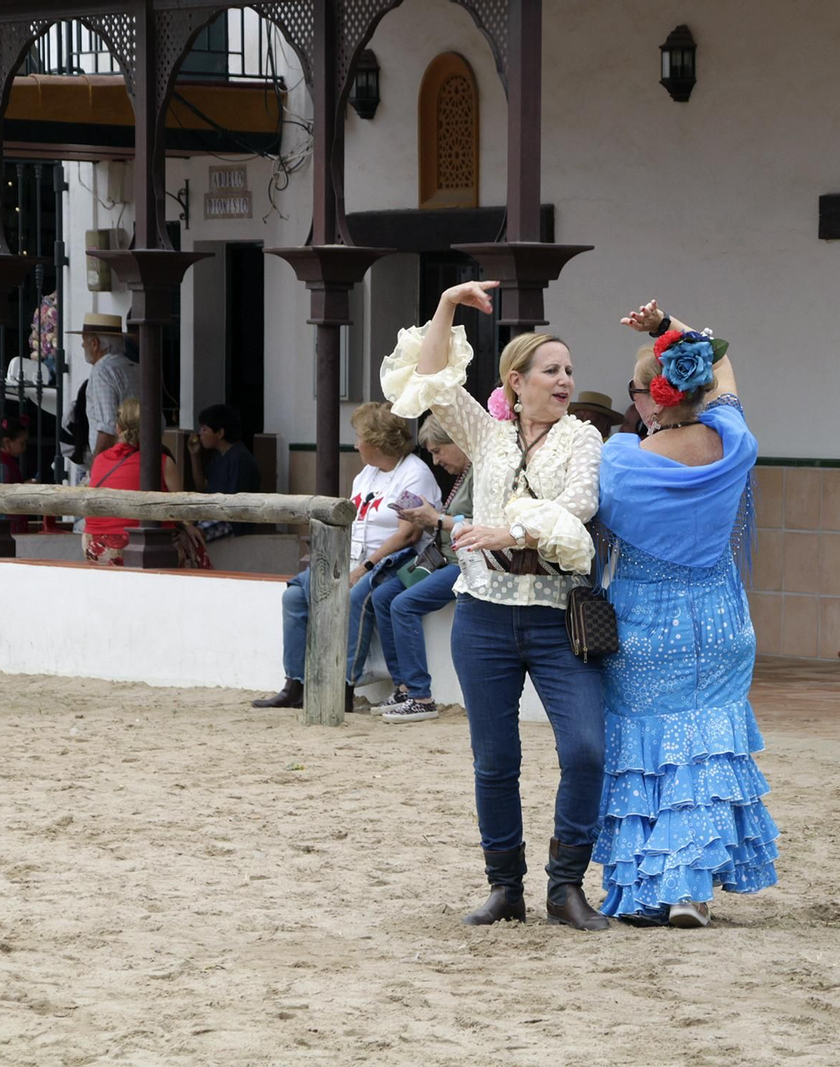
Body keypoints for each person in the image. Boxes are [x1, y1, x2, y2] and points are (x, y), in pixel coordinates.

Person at [380, 278, 607, 931]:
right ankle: (505, 887)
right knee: (495, 757)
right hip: (482, 615)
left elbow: (580, 508)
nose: (564, 379)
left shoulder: (583, 439)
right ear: (517, 380)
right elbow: (429, 383)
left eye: (569, 370)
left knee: (587, 750)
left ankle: (566, 888)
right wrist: (447, 304)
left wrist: (512, 530)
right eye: (551, 369)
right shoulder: (488, 435)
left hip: (559, 617)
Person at [591, 300, 779, 929]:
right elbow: (723, 363)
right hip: (723, 617)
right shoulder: (735, 441)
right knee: (706, 748)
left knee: (648, 749)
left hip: (645, 618)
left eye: (635, 391)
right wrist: (669, 326)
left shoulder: (622, 459)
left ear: (652, 396)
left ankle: (647, 886)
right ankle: (690, 889)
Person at [252, 403, 439, 710]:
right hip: (351, 558)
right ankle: (296, 684)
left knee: (354, 600)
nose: (354, 444)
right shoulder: (367, 474)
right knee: (296, 595)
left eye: (358, 437)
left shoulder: (413, 473)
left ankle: (344, 687)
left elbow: (409, 535)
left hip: (394, 559)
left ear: (377, 442)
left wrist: (364, 568)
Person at [371, 417, 473, 724]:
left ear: (459, 441)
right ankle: (403, 687)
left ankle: (420, 695)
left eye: (440, 451)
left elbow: (475, 524)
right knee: (382, 596)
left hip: (463, 563)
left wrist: (435, 518)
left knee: (403, 605)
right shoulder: (465, 473)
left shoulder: (481, 473)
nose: (437, 460)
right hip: (442, 558)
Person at [83, 398, 211, 569]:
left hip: (95, 545)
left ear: (118, 427)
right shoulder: (163, 462)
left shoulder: (99, 460)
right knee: (192, 544)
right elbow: (180, 510)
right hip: (139, 546)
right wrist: (188, 525)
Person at [69, 313, 138, 463]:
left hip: (116, 461)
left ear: (95, 344)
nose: (82, 346)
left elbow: (108, 428)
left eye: (84, 341)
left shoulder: (102, 371)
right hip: (138, 458)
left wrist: (97, 468)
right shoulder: (134, 367)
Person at [187, 403, 262, 540]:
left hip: (232, 521)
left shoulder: (239, 458)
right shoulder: (218, 456)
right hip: (215, 514)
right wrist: (195, 455)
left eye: (204, 429)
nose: (200, 433)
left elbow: (233, 507)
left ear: (220, 433)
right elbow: (202, 486)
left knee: (195, 535)